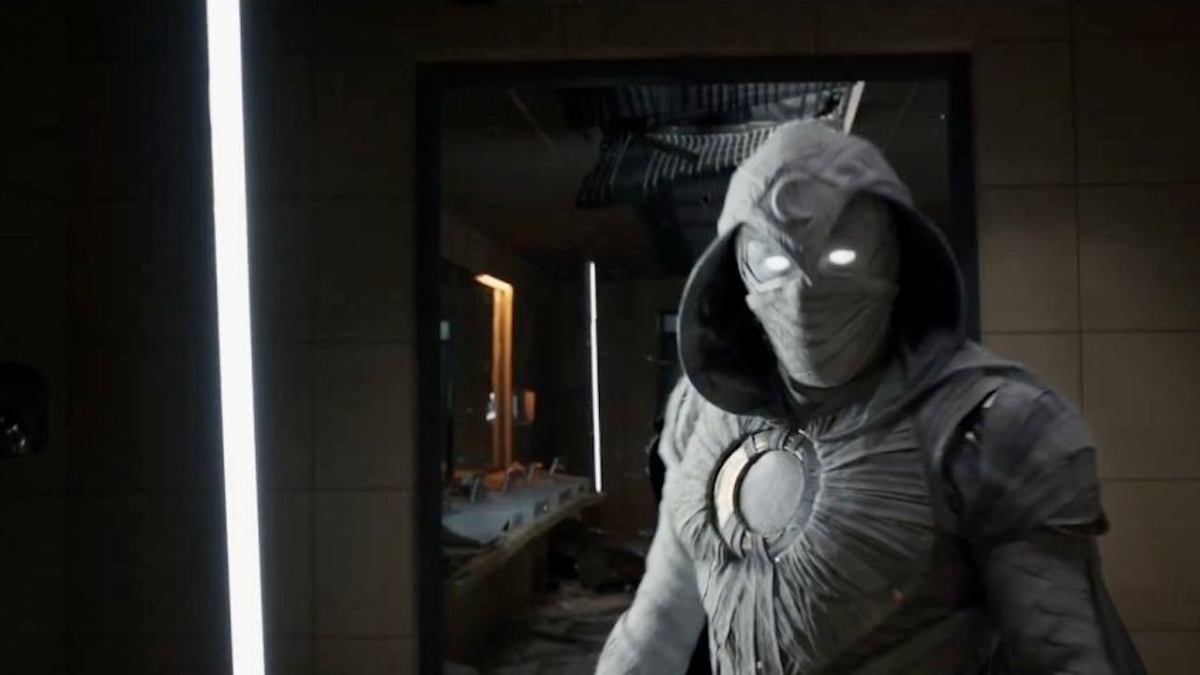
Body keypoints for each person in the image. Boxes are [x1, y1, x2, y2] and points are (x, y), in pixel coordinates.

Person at [597, 120, 1145, 675]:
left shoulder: (990, 424)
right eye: (776, 266)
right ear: (739, 273)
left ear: (894, 258)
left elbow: (1062, 654)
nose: (804, 295)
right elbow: (659, 621)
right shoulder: (703, 416)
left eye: (840, 259)